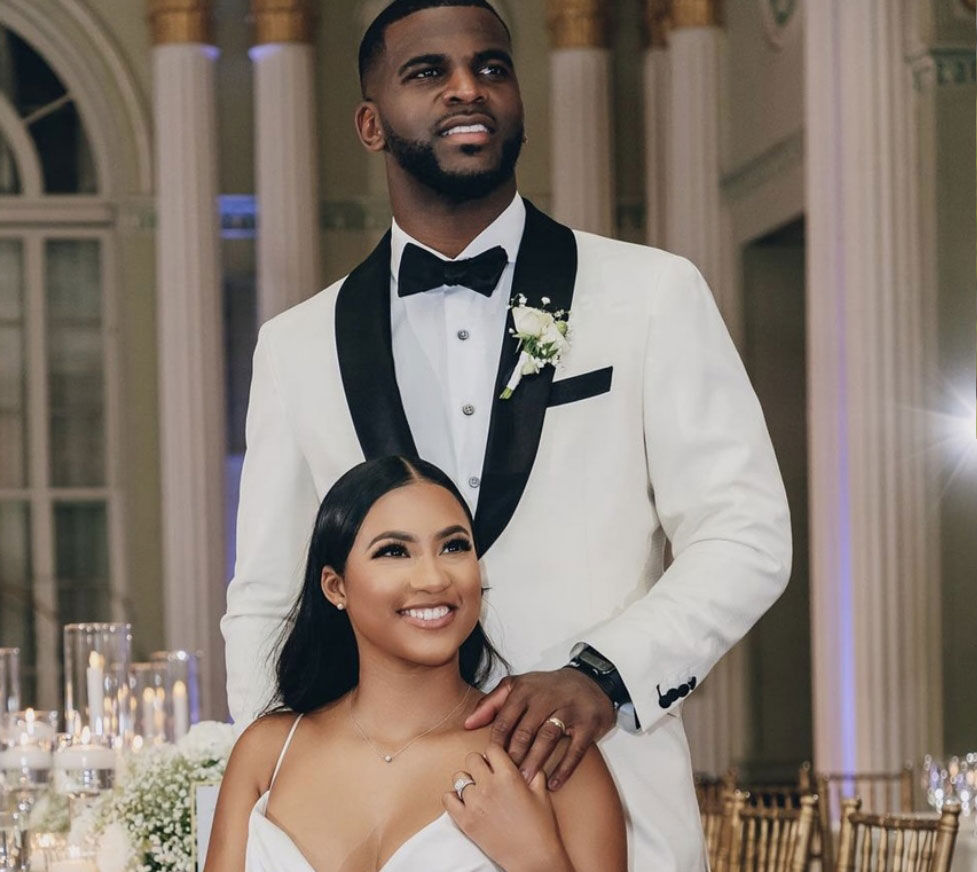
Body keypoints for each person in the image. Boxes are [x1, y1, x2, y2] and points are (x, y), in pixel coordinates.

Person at [221, 1, 792, 868]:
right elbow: (268, 591)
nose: (466, 89)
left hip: (604, 788)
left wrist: (602, 676)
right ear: (370, 124)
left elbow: (745, 532)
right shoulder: (297, 346)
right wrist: (292, 777)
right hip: (368, 818)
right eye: (428, 72)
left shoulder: (650, 294)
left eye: (490, 67)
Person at [206, 456, 627, 872]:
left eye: (454, 546)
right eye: (394, 551)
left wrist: (536, 859)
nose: (433, 578)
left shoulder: (544, 754)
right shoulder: (267, 754)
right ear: (336, 587)